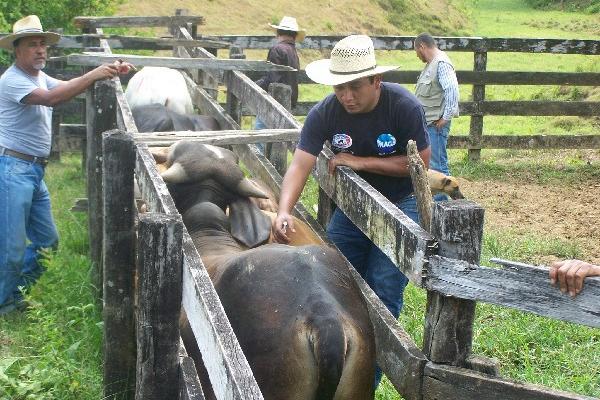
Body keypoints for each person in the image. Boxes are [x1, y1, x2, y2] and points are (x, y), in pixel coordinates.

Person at [271, 34, 430, 388]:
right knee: (331, 278)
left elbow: (419, 164)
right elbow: (300, 163)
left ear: (376, 80)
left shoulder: (404, 107)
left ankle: (364, 386)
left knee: (383, 290)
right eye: (339, 87)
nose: (346, 96)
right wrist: (284, 209)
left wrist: (362, 162)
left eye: (354, 86)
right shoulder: (326, 112)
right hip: (355, 207)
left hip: (401, 204)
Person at [0, 15, 134, 316]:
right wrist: (93, 73)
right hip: (12, 168)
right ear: (17, 50)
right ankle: (5, 303)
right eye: (32, 45)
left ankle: (11, 294)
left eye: (43, 45)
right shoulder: (12, 80)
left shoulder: (38, 76)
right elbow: (51, 99)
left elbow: (69, 87)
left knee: (47, 242)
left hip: (33, 171)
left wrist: (109, 72)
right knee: (10, 250)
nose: (40, 50)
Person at [414, 32, 459, 185]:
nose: (417, 56)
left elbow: (452, 89)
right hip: (431, 123)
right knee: (434, 165)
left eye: (417, 51)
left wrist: (445, 118)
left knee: (438, 167)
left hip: (436, 124)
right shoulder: (432, 64)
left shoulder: (441, 64)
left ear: (422, 46)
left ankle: (443, 205)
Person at [254, 16, 304, 134]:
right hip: (288, 100)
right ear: (294, 35)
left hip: (274, 100)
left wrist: (255, 86)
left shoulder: (277, 49)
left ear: (278, 32)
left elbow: (272, 78)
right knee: (279, 137)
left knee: (261, 135)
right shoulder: (293, 51)